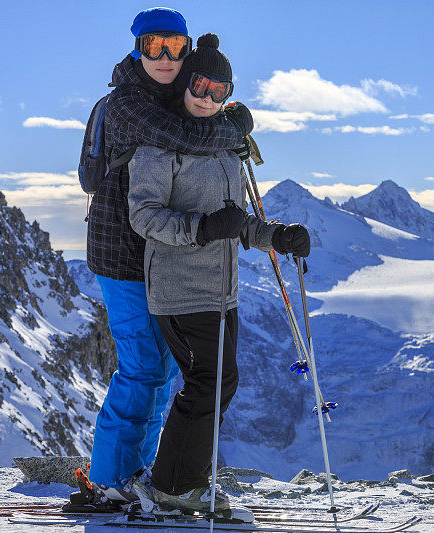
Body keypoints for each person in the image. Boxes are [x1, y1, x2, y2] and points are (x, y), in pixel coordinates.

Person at [77, 7, 254, 510]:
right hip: (123, 256)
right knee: (141, 369)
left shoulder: (171, 96)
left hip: (163, 259)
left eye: (176, 48)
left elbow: (198, 129)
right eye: (154, 45)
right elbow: (188, 138)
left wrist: (223, 115)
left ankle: (145, 475)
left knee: (158, 372)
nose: (165, 57)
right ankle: (108, 482)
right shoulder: (129, 103)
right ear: (136, 48)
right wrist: (235, 124)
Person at [128, 35, 310, 513]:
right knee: (206, 382)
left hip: (222, 290)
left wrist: (277, 237)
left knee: (220, 382)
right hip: (180, 289)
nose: (206, 98)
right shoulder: (160, 144)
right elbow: (144, 217)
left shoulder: (228, 148)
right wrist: (203, 229)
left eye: (219, 90)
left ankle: (184, 481)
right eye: (200, 85)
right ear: (186, 80)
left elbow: (235, 220)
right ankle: (173, 486)